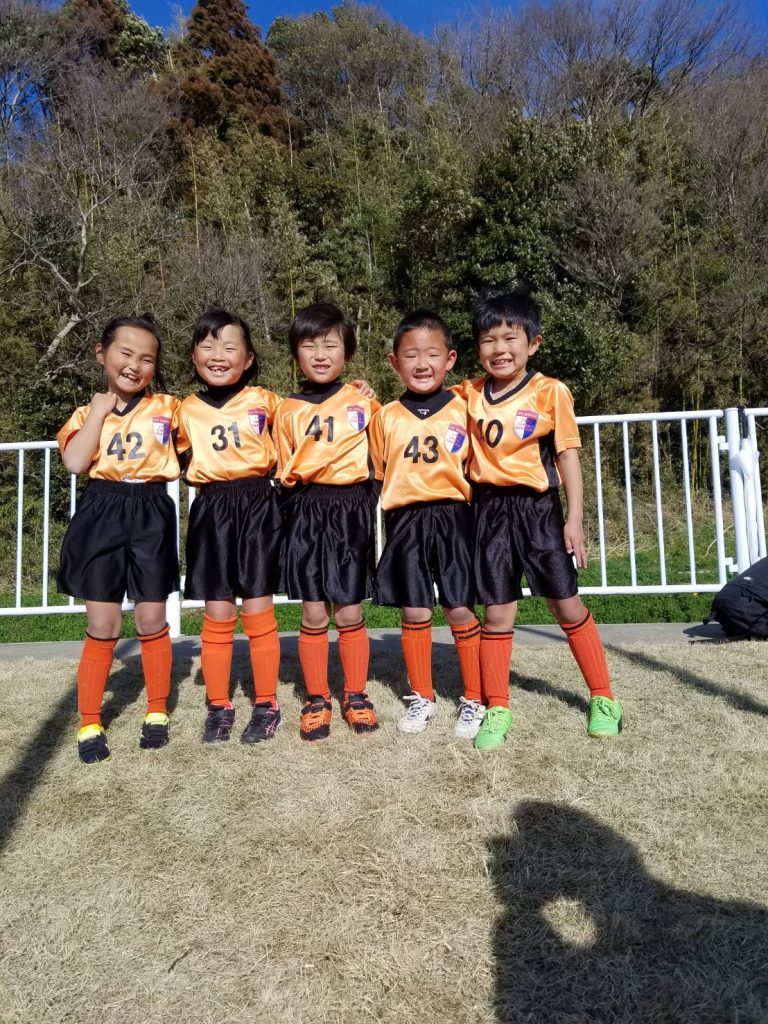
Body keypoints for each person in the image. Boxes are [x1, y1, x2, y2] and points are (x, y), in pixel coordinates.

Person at [463, 288, 623, 751]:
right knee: (497, 613)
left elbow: (568, 455)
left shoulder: (550, 391)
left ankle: (604, 698)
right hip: (489, 511)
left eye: (509, 338)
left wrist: (575, 518)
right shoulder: (467, 394)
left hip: (539, 512)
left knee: (565, 605)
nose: (499, 349)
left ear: (532, 343)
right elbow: (424, 401)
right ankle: (497, 706)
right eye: (488, 340)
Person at [57, 314, 180, 764]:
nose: (134, 365)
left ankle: (156, 711)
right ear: (101, 353)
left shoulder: (170, 408)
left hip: (151, 511)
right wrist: (98, 412)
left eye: (146, 358)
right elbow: (75, 462)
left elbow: (211, 428)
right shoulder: (84, 413)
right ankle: (90, 720)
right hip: (102, 511)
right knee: (104, 624)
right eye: (125, 353)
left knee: (151, 617)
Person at [369, 310, 484, 739]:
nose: (422, 364)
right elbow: (379, 472)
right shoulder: (385, 416)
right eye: (411, 355)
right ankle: (422, 695)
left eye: (432, 354)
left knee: (458, 606)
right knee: (415, 608)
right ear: (393, 362)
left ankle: (474, 697)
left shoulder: (464, 406)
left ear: (450, 359)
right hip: (405, 519)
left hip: (454, 517)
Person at [176, 311, 284, 745]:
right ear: (194, 355)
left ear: (248, 358)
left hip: (258, 504)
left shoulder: (267, 401)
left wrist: (359, 391)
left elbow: (307, 419)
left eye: (229, 346)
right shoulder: (183, 410)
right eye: (207, 345)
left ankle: (267, 703)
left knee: (257, 607)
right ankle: (219, 704)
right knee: (218, 611)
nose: (217, 355)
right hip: (212, 508)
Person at [274, 302, 380, 741]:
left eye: (330, 345)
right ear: (296, 353)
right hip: (305, 508)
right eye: (309, 345)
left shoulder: (363, 401)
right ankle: (317, 698)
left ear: (347, 352)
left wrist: (365, 502)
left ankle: (355, 694)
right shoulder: (286, 409)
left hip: (350, 508)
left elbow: (379, 459)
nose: (320, 354)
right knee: (314, 610)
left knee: (349, 607)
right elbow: (282, 468)